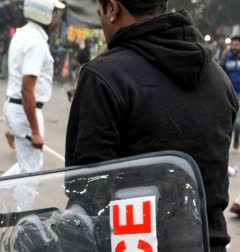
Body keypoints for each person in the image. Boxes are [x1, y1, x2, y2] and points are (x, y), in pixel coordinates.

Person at [65, 0, 238, 251]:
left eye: (100, 13)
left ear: (113, 9)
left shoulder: (103, 76)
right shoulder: (219, 80)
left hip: (133, 244)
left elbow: (88, 192)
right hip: (207, 244)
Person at [3, 0, 65, 210]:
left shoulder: (22, 33)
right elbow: (27, 88)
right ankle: (22, 220)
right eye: (54, 13)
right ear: (44, 13)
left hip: (17, 107)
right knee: (31, 172)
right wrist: (36, 130)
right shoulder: (36, 43)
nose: (56, 18)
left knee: (26, 164)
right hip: (26, 108)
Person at [221, 36, 240, 149]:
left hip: (239, 93)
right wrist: (222, 59)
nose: (234, 47)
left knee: (237, 121)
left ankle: (236, 137)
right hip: (228, 93)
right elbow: (220, 71)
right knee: (227, 119)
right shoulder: (226, 58)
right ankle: (227, 140)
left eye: (237, 45)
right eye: (232, 45)